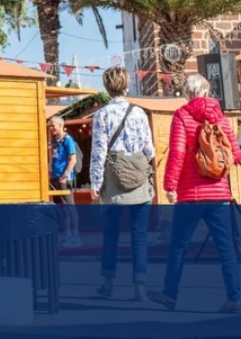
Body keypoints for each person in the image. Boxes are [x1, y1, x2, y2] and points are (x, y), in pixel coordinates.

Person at [150, 74, 241, 314]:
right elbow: (237, 156)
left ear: (187, 93)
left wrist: (169, 185)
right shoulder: (220, 117)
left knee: (178, 246)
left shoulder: (182, 115)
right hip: (219, 195)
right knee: (226, 248)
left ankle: (169, 295)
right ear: (206, 91)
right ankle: (234, 298)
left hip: (190, 195)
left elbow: (177, 154)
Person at [89, 66, 155, 302]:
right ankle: (140, 288)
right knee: (139, 235)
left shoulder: (101, 115)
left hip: (113, 181)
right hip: (138, 179)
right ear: (126, 86)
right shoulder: (139, 113)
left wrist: (95, 182)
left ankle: (108, 284)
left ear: (107, 88)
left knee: (111, 233)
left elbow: (98, 151)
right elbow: (149, 150)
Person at [48, 116, 81, 248]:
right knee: (61, 207)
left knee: (69, 207)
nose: (51, 128)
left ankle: (75, 236)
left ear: (60, 125)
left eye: (53, 126)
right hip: (55, 177)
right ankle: (67, 236)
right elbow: (53, 157)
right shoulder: (54, 140)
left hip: (64, 178)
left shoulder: (68, 140)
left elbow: (73, 159)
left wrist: (66, 174)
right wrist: (50, 169)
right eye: (50, 126)